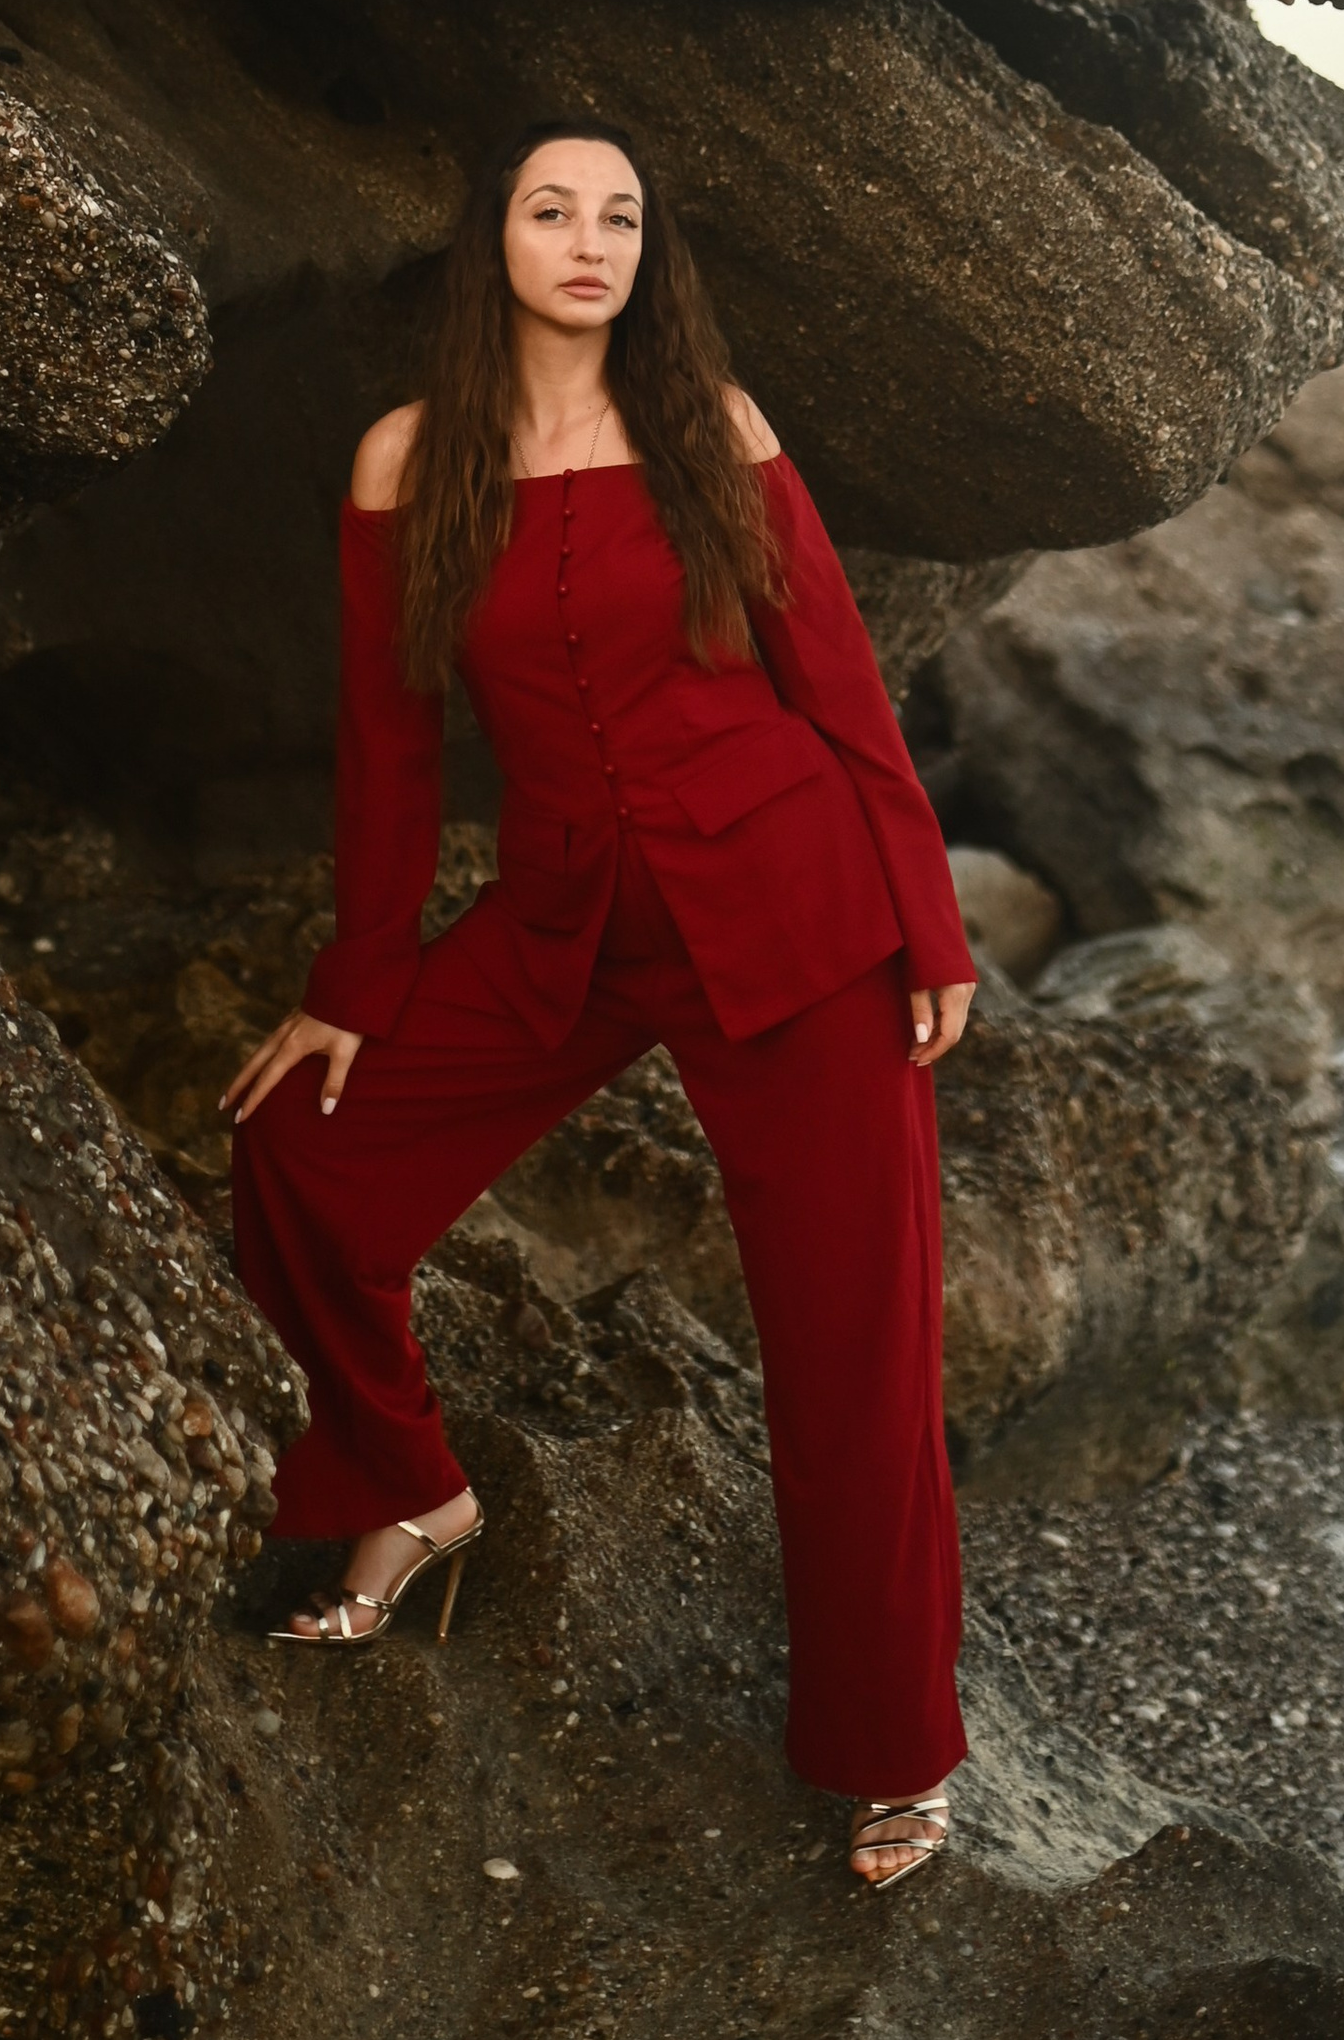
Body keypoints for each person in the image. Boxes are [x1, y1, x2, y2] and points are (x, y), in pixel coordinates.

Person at [224, 118, 977, 1888]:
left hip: (800, 919)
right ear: (496, 242)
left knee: (852, 1351)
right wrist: (358, 979)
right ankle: (412, 1492)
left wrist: (928, 924)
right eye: (555, 211)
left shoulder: (714, 430)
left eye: (621, 216)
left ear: (649, 254)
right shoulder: (411, 462)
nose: (590, 241)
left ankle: (898, 1754)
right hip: (569, 926)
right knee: (302, 1147)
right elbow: (391, 750)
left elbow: (843, 690)